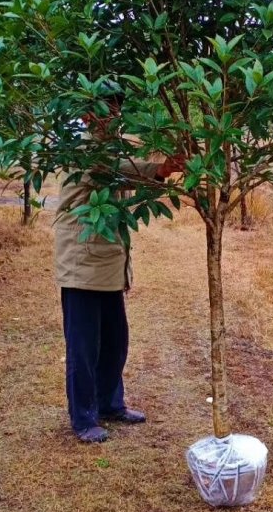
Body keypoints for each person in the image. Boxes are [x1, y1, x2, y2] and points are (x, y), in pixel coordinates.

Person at [55, 106, 184, 444]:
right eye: (104, 111)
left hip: (108, 265)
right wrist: (158, 168)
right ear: (86, 115)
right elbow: (116, 172)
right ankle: (83, 418)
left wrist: (163, 168)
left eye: (116, 110)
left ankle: (110, 404)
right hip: (83, 267)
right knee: (83, 349)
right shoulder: (87, 151)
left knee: (115, 342)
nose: (113, 117)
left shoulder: (113, 147)